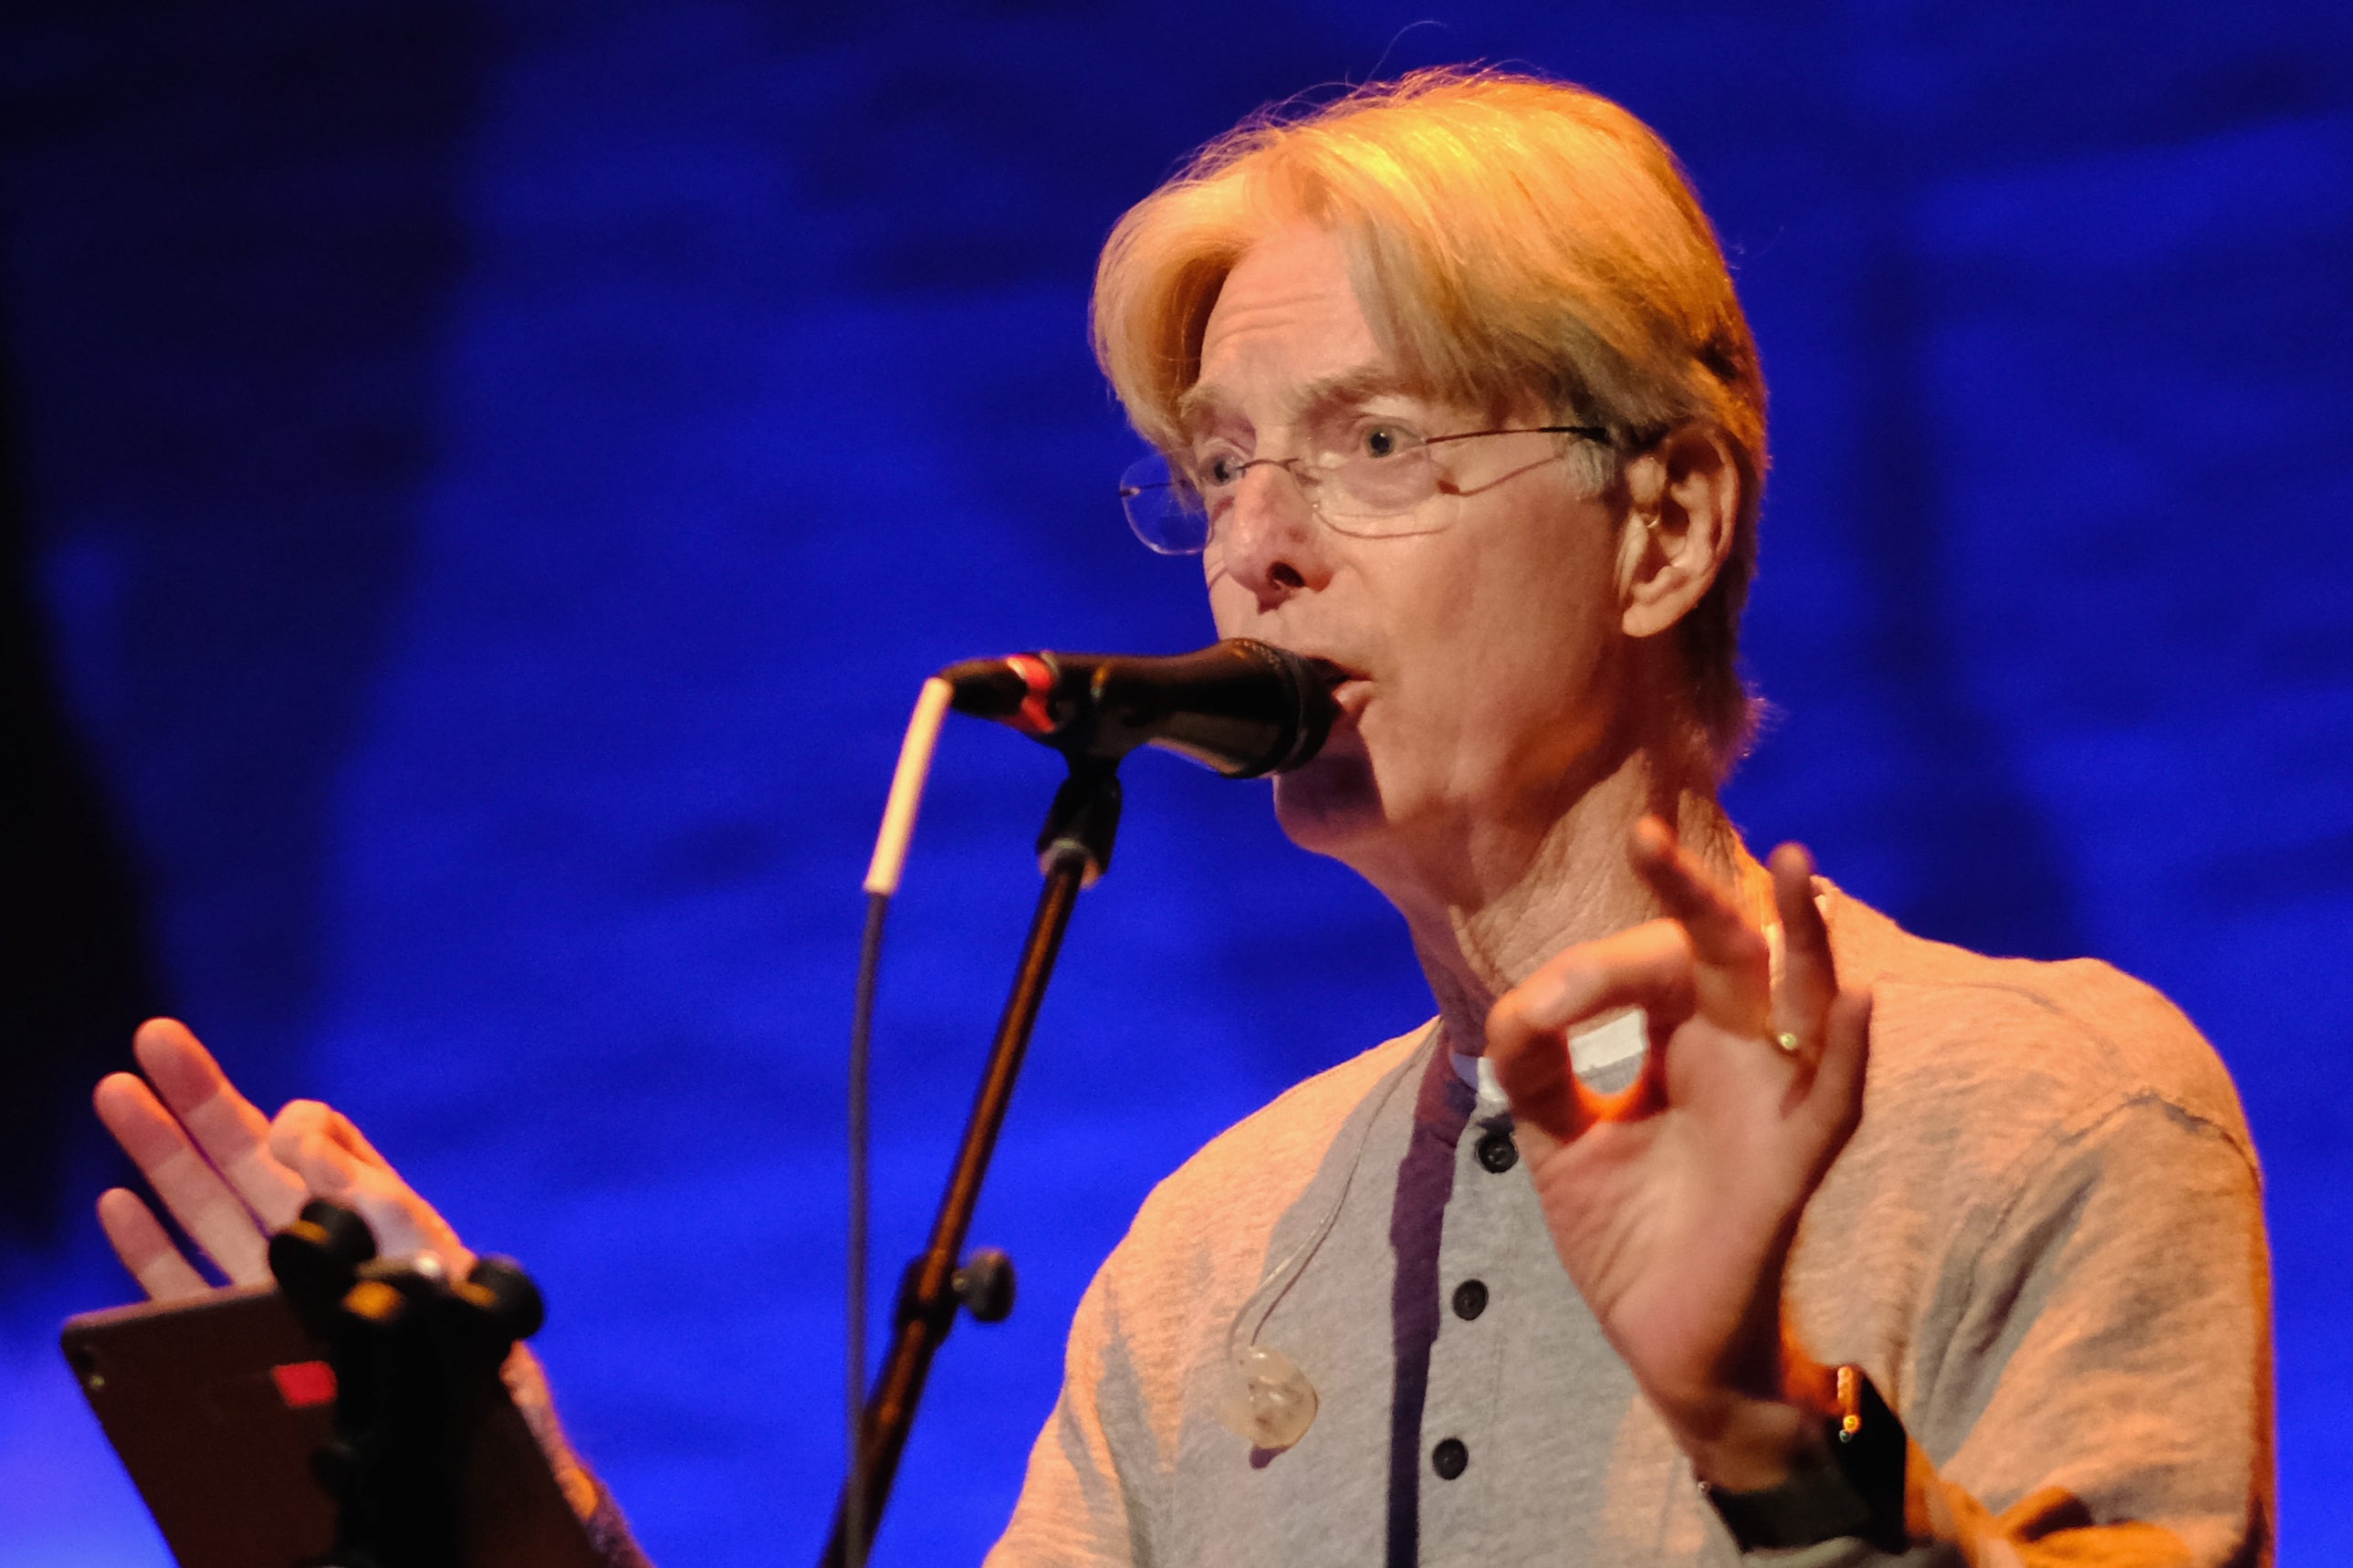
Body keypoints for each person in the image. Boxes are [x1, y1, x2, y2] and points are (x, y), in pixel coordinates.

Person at [88, 68, 2270, 1567]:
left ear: (1661, 524)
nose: (1257, 550)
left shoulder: (2046, 1107)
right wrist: (491, 1508)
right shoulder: (1212, 1255)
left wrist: (1762, 1434)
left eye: (1373, 444)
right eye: (1219, 467)